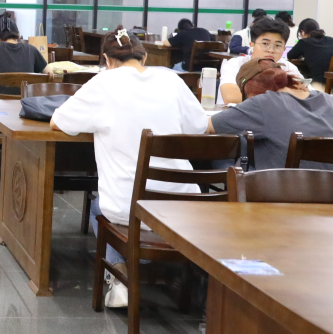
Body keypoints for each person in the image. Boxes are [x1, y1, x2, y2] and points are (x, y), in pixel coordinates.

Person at [50, 30, 207, 309]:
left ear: (107, 60)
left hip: (130, 209)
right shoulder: (172, 79)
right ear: (144, 57)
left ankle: (119, 274)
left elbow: (58, 122)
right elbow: (200, 127)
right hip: (183, 205)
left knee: (99, 207)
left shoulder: (104, 82)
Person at [209, 58, 333, 171]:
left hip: (287, 187)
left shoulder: (262, 103)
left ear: (250, 89)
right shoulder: (328, 99)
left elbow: (207, 127)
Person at [219, 17, 301, 105]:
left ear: (284, 48)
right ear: (252, 45)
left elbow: (306, 96)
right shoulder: (235, 64)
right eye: (265, 44)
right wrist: (283, 95)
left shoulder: (288, 67)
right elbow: (231, 98)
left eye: (277, 45)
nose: (271, 50)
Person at [287, 18, 333, 86]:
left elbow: (290, 55)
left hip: (319, 84)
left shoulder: (304, 42)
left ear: (302, 32)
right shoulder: (331, 40)